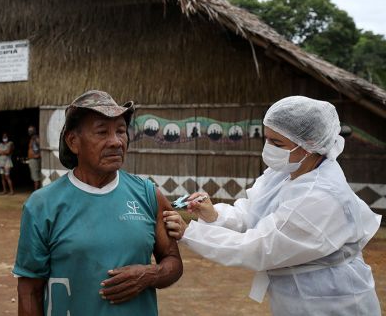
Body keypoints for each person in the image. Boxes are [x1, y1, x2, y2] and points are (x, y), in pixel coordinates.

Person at [163, 96, 382, 315]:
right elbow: (252, 214)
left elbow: (259, 248)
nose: (269, 148)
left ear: (311, 145)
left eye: (277, 143)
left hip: (332, 302)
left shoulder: (321, 196)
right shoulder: (284, 172)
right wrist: (214, 216)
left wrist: (190, 232)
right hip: (295, 298)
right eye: (267, 139)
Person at [13, 90, 183, 316]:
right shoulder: (42, 205)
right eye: (102, 132)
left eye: (121, 131)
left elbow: (173, 261)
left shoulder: (149, 195)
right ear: (73, 141)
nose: (115, 142)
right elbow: (29, 290)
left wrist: (150, 275)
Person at [26, 125, 42, 190]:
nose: (29, 132)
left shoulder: (36, 138)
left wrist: (38, 155)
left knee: (36, 177)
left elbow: (41, 147)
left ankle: (36, 193)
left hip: (35, 160)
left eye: (31, 130)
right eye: (29, 130)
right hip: (33, 160)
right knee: (35, 177)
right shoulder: (32, 138)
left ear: (34, 131)